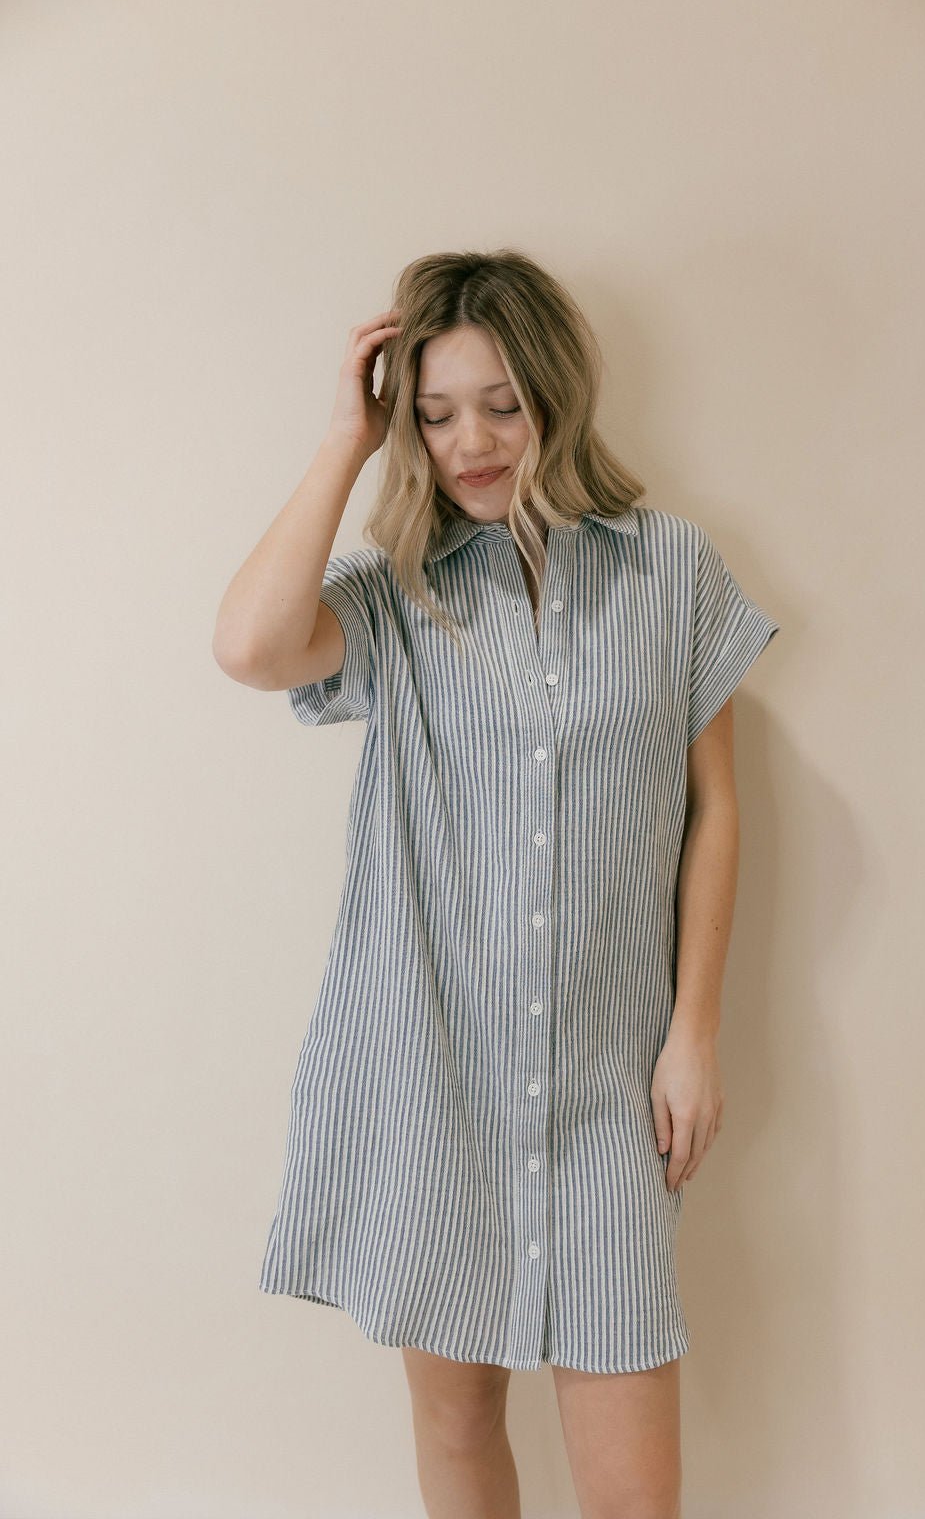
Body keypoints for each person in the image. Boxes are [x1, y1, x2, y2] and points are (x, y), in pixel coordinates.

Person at [212, 248, 780, 1519]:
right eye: (433, 413)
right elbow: (248, 646)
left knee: (633, 1492)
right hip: (435, 1080)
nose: (469, 441)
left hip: (607, 1087)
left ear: (556, 394)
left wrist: (693, 1032)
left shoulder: (671, 571)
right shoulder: (396, 597)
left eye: (501, 404)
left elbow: (715, 810)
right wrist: (344, 442)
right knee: (458, 1428)